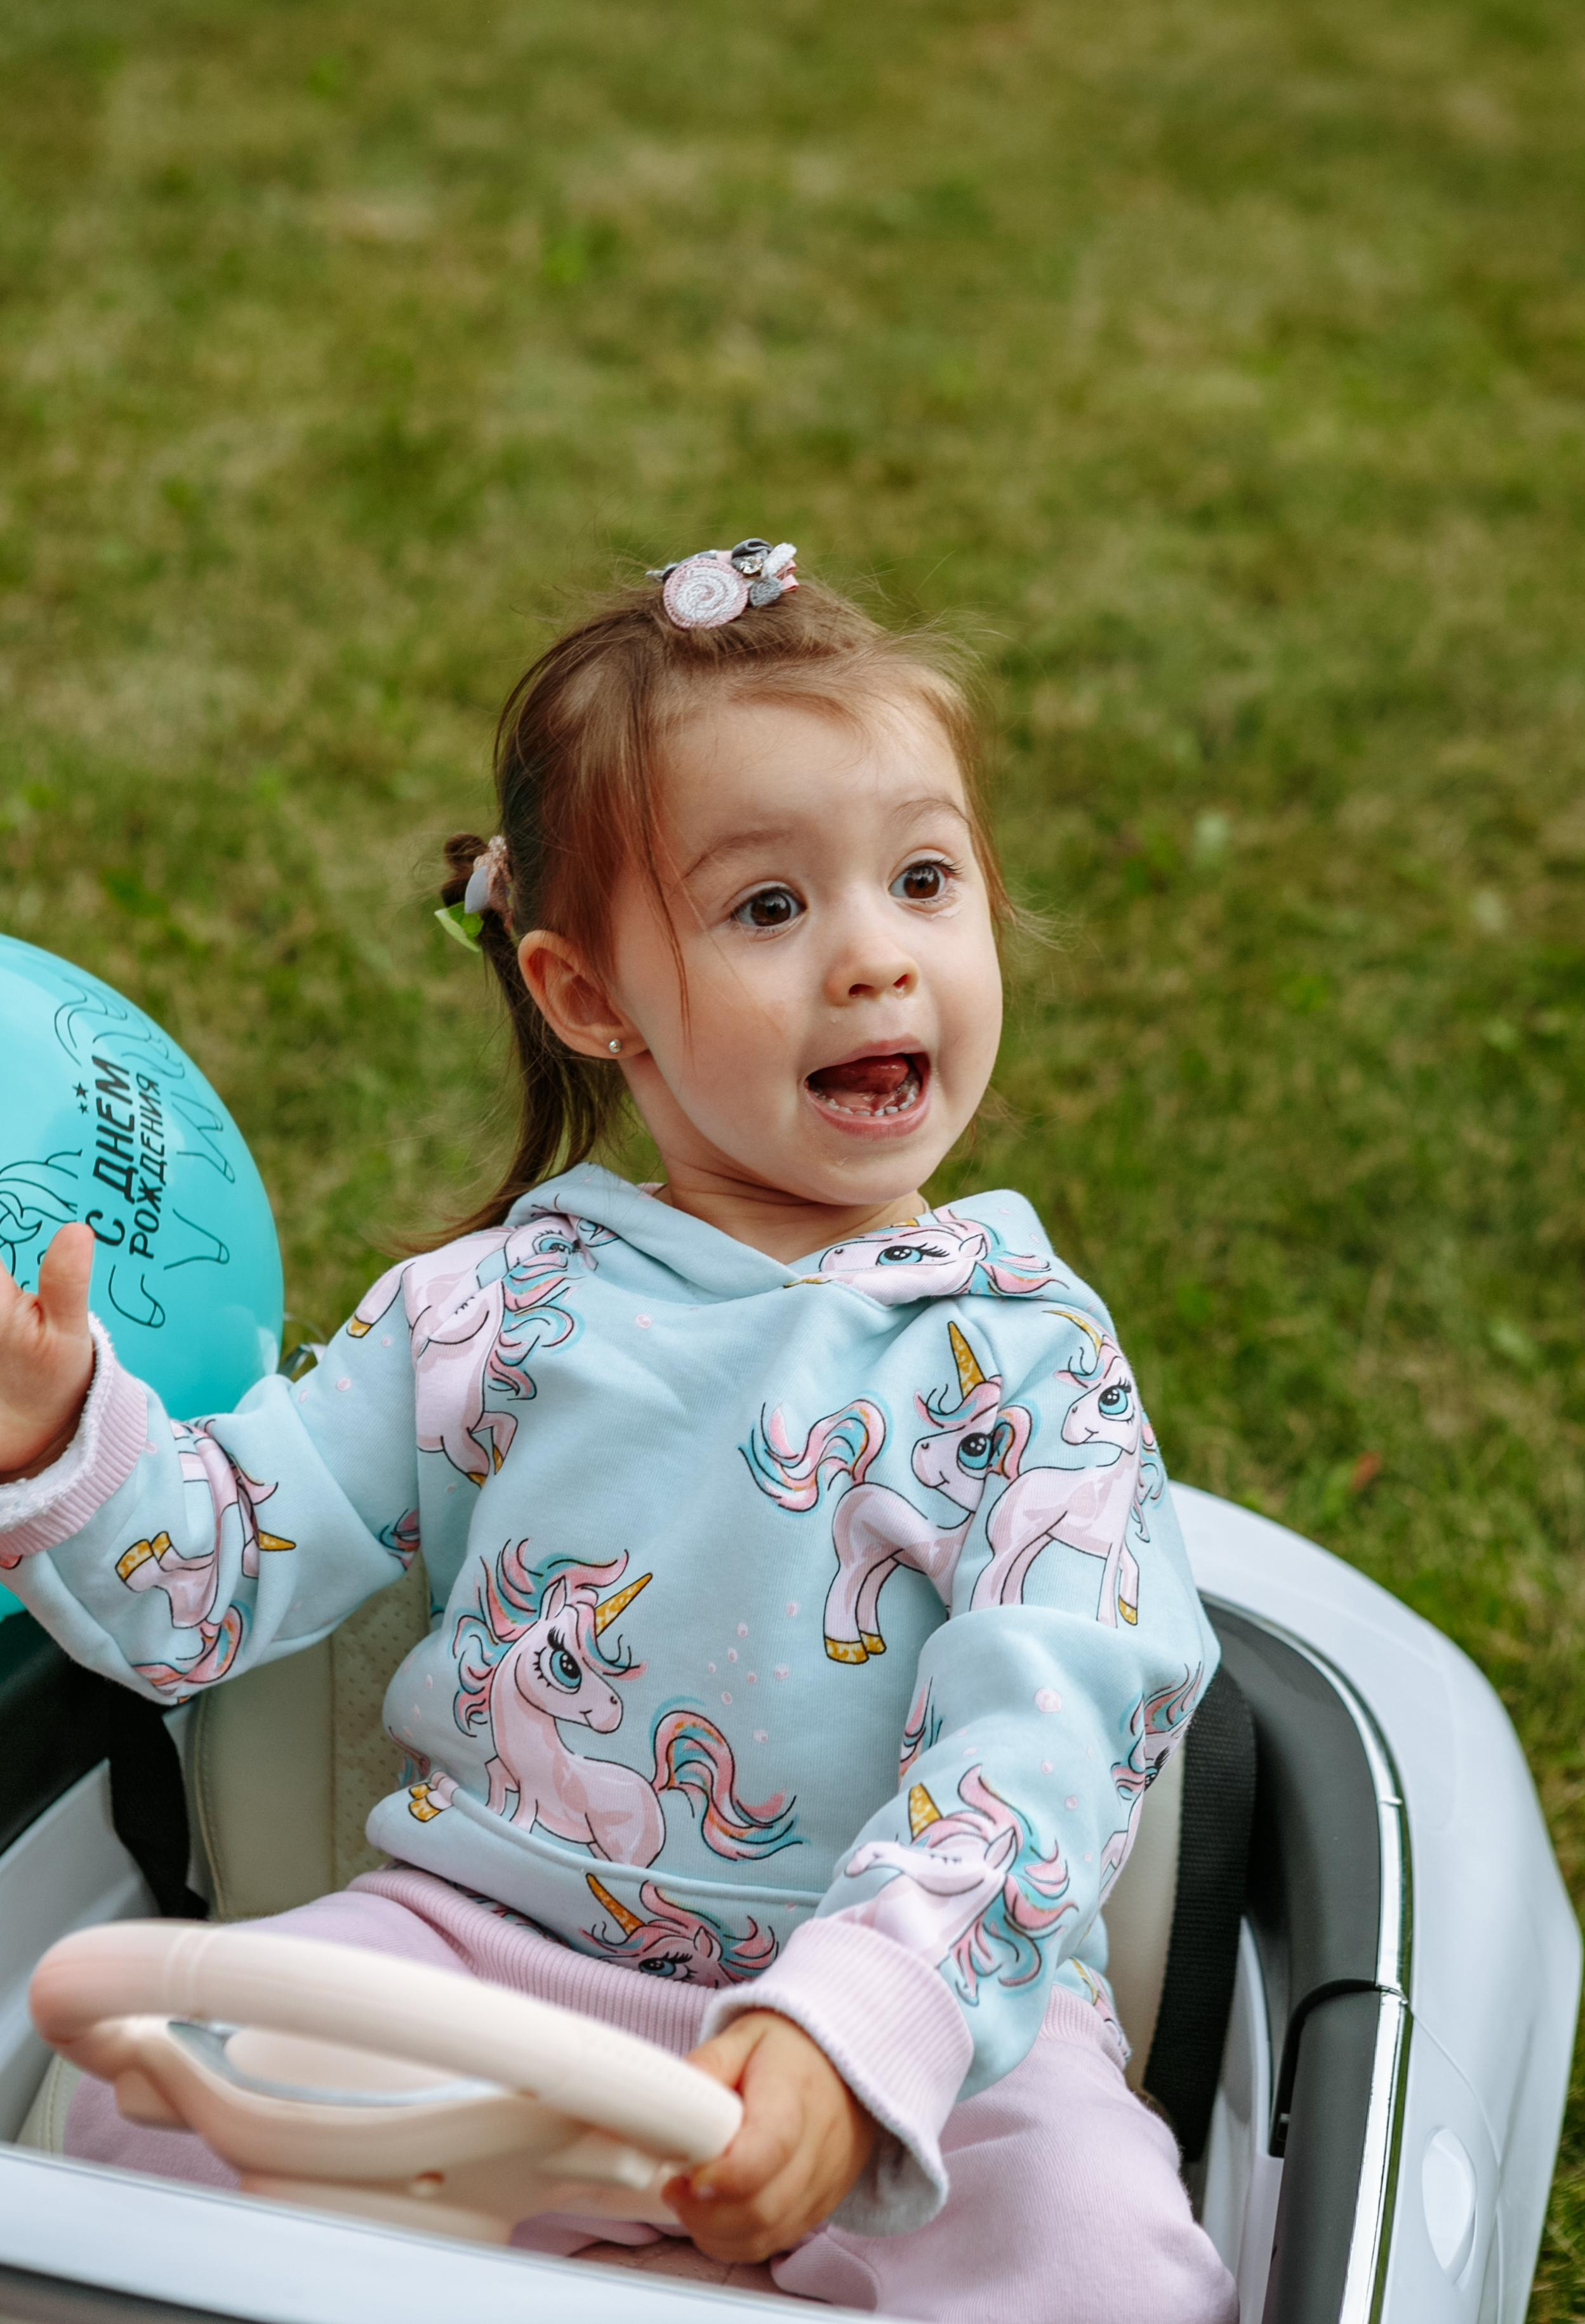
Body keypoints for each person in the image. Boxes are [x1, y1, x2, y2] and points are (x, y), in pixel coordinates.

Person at [0, 541, 1236, 2322]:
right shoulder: (491, 1309)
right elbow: (213, 1576)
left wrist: (853, 2026)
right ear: (588, 998)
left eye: (920, 879)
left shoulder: (1026, 1365)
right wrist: (62, 1432)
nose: (876, 960)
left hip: (908, 2018)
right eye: (767, 910)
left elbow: (1060, 1721)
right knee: (140, 2123)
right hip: (475, 1967)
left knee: (1099, 2264)